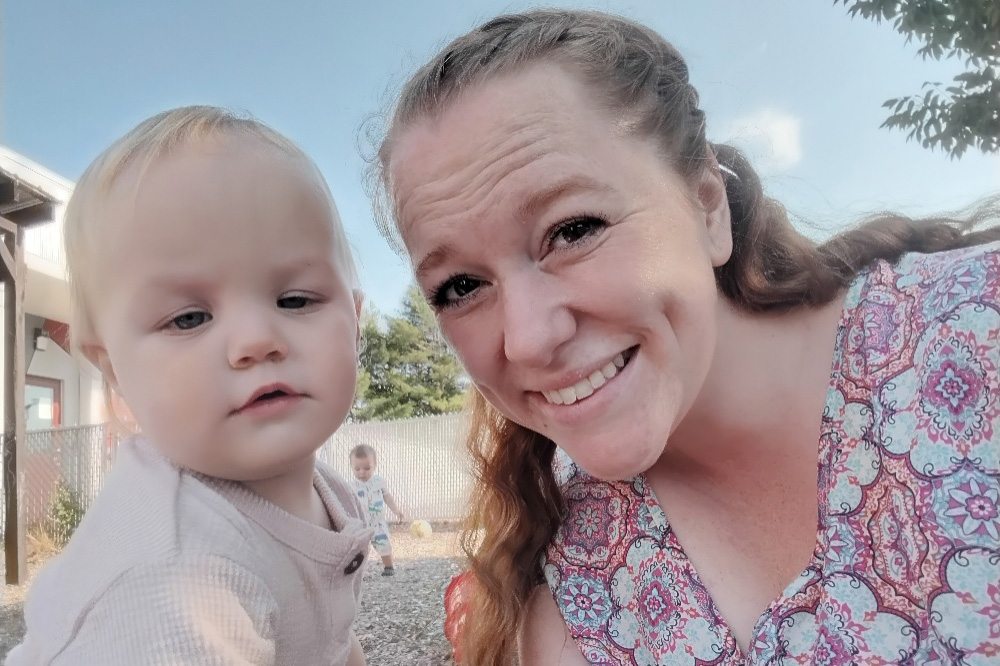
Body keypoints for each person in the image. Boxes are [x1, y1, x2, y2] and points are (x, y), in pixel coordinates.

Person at [368, 8, 1000, 666]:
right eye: (461, 287)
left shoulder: (975, 330)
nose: (527, 340)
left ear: (706, 206)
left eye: (574, 229)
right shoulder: (571, 591)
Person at [8, 106, 372, 665]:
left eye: (295, 299)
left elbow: (332, 636)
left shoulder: (328, 491)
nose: (256, 340)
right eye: (188, 319)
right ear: (114, 372)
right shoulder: (171, 581)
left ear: (356, 319)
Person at [349, 444, 406, 576]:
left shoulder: (379, 482)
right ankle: (358, 570)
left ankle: (389, 566)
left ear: (375, 465)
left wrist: (396, 510)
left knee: (383, 543)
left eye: (367, 468)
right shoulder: (351, 486)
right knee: (359, 548)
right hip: (361, 523)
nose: (362, 472)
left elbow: (387, 497)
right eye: (357, 469)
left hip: (377, 523)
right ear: (352, 467)